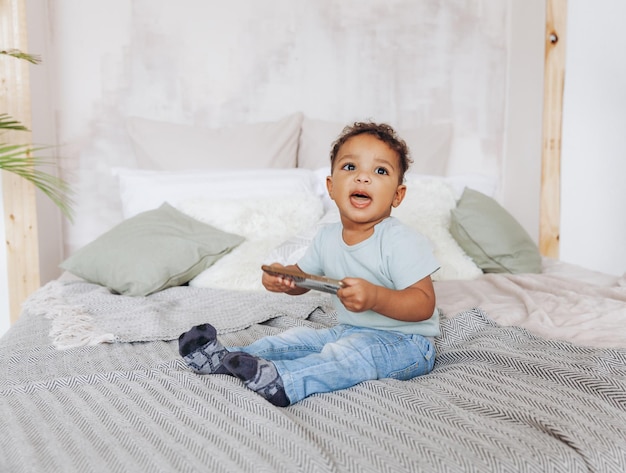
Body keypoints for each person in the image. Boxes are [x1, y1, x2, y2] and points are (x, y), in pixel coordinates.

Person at [178, 122, 440, 407]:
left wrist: (376, 297)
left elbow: (423, 303)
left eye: (380, 171)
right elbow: (305, 279)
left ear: (397, 195)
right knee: (294, 340)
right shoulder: (326, 237)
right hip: (351, 330)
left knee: (349, 357)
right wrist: (286, 279)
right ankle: (225, 358)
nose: (363, 178)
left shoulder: (401, 240)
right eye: (350, 168)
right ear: (331, 186)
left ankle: (287, 381)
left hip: (407, 343)